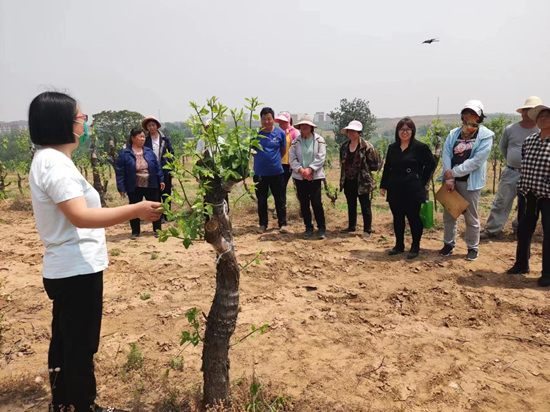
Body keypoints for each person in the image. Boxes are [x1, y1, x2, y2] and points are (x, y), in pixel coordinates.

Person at [28, 92, 161, 412]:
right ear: (64, 123)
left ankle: (62, 402)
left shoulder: (49, 159)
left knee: (64, 338)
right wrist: (136, 210)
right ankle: (83, 405)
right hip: (75, 269)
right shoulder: (55, 164)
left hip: (66, 266)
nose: (84, 122)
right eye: (80, 117)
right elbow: (81, 216)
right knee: (80, 344)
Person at [440, 100, 494, 261]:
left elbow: (477, 161)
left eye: (473, 113)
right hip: (452, 182)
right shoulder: (454, 134)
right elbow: (447, 154)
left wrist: (454, 172)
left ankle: (472, 247)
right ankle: (448, 244)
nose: (469, 116)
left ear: (479, 117)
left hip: (470, 183)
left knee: (471, 217)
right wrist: (449, 177)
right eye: (466, 113)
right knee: (450, 215)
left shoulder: (485, 136)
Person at [481, 96, 541, 239]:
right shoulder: (511, 129)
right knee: (502, 200)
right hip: (511, 171)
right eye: (526, 110)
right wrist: (512, 161)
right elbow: (503, 147)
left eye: (532, 110)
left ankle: (519, 228)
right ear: (522, 112)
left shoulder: (541, 130)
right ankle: (492, 229)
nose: (528, 113)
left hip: (532, 175)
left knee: (527, 204)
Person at [507, 104, 550, 287]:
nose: (543, 119)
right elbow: (525, 163)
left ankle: (547, 273)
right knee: (524, 230)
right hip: (528, 192)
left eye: (547, 117)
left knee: (549, 233)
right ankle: (521, 264)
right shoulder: (530, 140)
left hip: (548, 195)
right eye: (540, 117)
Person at [380, 117, 436, 258]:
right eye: (401, 129)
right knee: (398, 218)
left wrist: (421, 180)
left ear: (412, 131)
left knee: (413, 218)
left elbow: (430, 165)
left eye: (407, 129)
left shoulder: (420, 148)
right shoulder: (392, 148)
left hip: (413, 190)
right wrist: (383, 185)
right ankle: (399, 245)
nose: (404, 132)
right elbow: (387, 168)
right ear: (397, 131)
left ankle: (415, 247)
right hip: (395, 188)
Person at [116, 128, 165, 239]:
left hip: (151, 184)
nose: (143, 139)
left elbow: (157, 167)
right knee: (134, 209)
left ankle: (157, 230)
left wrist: (161, 179)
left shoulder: (148, 151)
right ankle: (135, 232)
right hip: (134, 185)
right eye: (140, 136)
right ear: (133, 138)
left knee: (155, 207)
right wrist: (121, 187)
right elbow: (120, 171)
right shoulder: (125, 153)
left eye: (143, 136)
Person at [339, 120, 380, 239]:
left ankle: (367, 229)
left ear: (359, 132)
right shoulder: (344, 146)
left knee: (365, 205)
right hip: (348, 180)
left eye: (354, 131)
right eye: (349, 131)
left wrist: (365, 173)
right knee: (351, 204)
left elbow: (374, 164)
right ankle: (352, 226)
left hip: (362, 181)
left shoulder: (367, 146)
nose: (351, 133)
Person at [289, 115, 327, 239]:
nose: (304, 127)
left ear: (311, 127)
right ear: (299, 127)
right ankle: (308, 227)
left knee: (316, 203)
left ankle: (321, 227)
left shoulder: (319, 140)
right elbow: (292, 158)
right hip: (300, 177)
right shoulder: (295, 142)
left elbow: (321, 157)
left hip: (314, 177)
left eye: (307, 125)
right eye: (302, 125)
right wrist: (301, 170)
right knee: (304, 203)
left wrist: (310, 169)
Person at [253, 107, 288, 233]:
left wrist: (273, 161)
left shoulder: (280, 133)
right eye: (264, 119)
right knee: (261, 200)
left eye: (269, 119)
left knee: (280, 199)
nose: (266, 122)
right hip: (260, 173)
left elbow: (283, 151)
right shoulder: (255, 134)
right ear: (261, 120)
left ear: (273, 119)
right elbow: (252, 152)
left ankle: (282, 224)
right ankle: (263, 224)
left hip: (276, 172)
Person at [142, 116, 174, 222]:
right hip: (152, 171)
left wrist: (172, 168)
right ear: (147, 128)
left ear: (157, 126)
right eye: (149, 126)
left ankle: (167, 214)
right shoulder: (145, 141)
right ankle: (158, 216)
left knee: (167, 192)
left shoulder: (165, 139)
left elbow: (171, 153)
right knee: (155, 193)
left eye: (153, 125)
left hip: (165, 169)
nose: (151, 127)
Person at [274, 111, 300, 205]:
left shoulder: (294, 133)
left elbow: (298, 148)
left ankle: (281, 207)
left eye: (283, 122)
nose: (281, 124)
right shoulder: (276, 132)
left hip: (288, 165)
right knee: (279, 187)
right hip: (278, 163)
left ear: (288, 121)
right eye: (280, 122)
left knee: (282, 186)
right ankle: (280, 206)